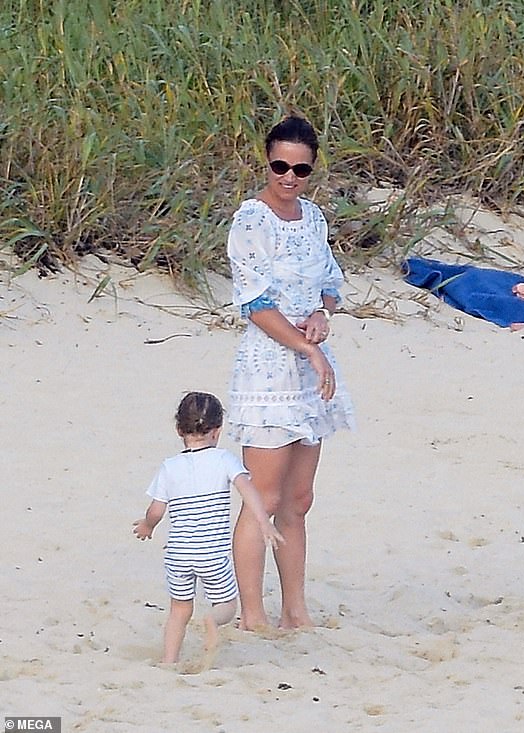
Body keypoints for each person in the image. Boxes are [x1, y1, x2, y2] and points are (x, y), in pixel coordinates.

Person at [227, 114, 355, 631]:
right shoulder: (250, 221)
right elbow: (255, 304)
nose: (288, 178)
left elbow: (329, 281)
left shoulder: (315, 219)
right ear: (267, 161)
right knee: (264, 497)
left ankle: (294, 610)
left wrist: (323, 315)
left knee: (299, 500)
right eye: (280, 166)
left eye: (299, 170)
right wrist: (309, 349)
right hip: (269, 369)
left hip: (309, 371)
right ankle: (251, 614)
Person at [133, 391, 284, 663]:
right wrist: (263, 522)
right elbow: (248, 492)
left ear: (180, 429)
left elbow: (156, 510)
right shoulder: (224, 460)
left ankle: (169, 659)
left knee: (179, 609)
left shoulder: (170, 467)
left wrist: (147, 526)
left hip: (178, 554)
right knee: (227, 604)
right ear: (217, 431)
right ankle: (213, 621)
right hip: (211, 554)